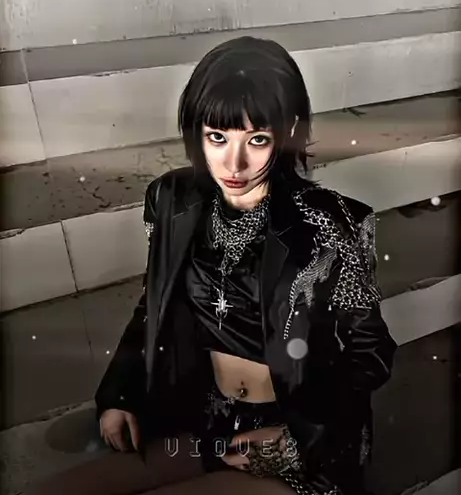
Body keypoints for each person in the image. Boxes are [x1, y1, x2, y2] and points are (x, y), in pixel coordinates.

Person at [27, 36, 397, 495]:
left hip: (294, 436)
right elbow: (153, 306)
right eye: (217, 137)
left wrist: (298, 439)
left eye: (257, 139)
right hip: (206, 421)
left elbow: (370, 352)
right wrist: (121, 394)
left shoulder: (332, 222)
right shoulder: (171, 200)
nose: (233, 163)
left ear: (288, 131)